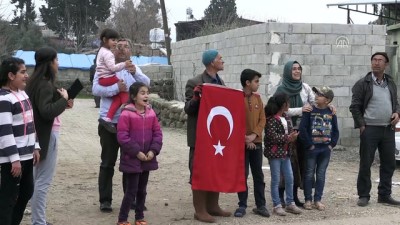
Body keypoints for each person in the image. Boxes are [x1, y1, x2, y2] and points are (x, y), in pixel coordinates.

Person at [93, 38, 150, 213]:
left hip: (130, 123)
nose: (122, 50)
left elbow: (146, 84)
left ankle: (130, 199)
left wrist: (135, 74)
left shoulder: (133, 68)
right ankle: (105, 200)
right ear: (113, 51)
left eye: (126, 47)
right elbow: (95, 89)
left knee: (131, 162)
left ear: (130, 51)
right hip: (108, 123)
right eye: (119, 47)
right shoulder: (104, 68)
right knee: (107, 163)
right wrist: (116, 89)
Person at [25, 47, 74, 225]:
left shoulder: (33, 82)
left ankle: (37, 219)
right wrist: (63, 100)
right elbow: (46, 112)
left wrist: (63, 102)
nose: (58, 63)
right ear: (50, 63)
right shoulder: (44, 84)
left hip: (36, 136)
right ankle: (39, 221)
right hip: (46, 136)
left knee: (36, 178)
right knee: (43, 181)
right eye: (57, 60)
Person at [184, 49, 231, 223]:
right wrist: (196, 98)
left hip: (216, 137)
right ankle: (200, 210)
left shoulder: (221, 83)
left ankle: (213, 206)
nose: (222, 60)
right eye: (220, 58)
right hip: (200, 136)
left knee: (214, 169)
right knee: (199, 171)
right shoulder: (194, 82)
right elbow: (188, 109)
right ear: (212, 62)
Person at [349, 52, 400, 207]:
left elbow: (396, 102)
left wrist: (397, 113)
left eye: (380, 60)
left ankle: (384, 195)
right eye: (374, 60)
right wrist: (362, 125)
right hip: (369, 129)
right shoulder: (362, 83)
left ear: (386, 64)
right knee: (366, 163)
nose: (376, 63)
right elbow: (354, 107)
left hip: (387, 129)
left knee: (389, 163)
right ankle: (364, 195)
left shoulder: (390, 82)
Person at [0, 57, 40, 225]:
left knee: (26, 192)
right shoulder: (4, 99)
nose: (27, 76)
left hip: (26, 155)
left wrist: (36, 146)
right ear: (10, 75)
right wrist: (14, 159)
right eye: (22, 72)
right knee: (8, 198)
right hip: (12, 159)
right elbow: (5, 131)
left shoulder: (22, 94)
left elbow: (30, 123)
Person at [116, 82, 163, 225]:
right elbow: (122, 136)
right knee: (131, 190)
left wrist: (152, 151)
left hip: (147, 158)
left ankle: (139, 217)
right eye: (142, 93)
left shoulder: (151, 113)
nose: (146, 95)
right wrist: (137, 152)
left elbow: (157, 133)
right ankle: (122, 219)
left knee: (142, 190)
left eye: (147, 92)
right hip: (131, 158)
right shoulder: (126, 114)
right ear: (133, 96)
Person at [274, 60, 314, 207]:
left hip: (302, 131)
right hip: (285, 130)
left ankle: (294, 197)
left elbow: (314, 103)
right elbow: (281, 110)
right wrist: (301, 110)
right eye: (294, 69)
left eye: (299, 69)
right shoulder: (281, 90)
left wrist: (329, 106)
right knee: (286, 164)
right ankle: (280, 197)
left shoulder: (305, 88)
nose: (297, 71)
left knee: (298, 165)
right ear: (287, 72)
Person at [234, 69, 269, 218]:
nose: (258, 84)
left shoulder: (258, 99)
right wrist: (244, 138)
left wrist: (254, 135)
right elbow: (234, 120)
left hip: (256, 142)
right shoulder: (235, 99)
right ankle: (242, 205)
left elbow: (263, 119)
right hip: (240, 144)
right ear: (247, 83)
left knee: (258, 175)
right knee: (242, 174)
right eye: (256, 81)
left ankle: (261, 205)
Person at [299, 86, 339, 211]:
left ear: (327, 100)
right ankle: (308, 199)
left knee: (321, 174)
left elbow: (335, 131)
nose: (316, 96)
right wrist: (309, 144)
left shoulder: (331, 112)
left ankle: (318, 200)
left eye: (320, 94)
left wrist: (331, 145)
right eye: (316, 93)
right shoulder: (309, 110)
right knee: (309, 173)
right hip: (312, 149)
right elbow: (303, 129)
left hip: (325, 149)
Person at [264, 93, 302, 216]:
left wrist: (293, 136)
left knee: (289, 178)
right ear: (283, 104)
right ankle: (277, 205)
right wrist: (288, 138)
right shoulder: (271, 119)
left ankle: (290, 203)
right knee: (276, 180)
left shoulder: (286, 117)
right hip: (275, 154)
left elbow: (289, 132)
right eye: (287, 102)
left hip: (286, 153)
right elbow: (271, 137)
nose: (289, 105)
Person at [96, 28, 132, 133]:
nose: (115, 43)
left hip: (105, 78)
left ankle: (108, 118)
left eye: (116, 40)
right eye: (113, 40)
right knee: (124, 90)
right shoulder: (108, 54)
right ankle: (130, 109)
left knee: (117, 99)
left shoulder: (102, 51)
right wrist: (124, 64)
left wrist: (134, 71)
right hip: (107, 78)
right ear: (104, 39)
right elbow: (112, 68)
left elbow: (146, 82)